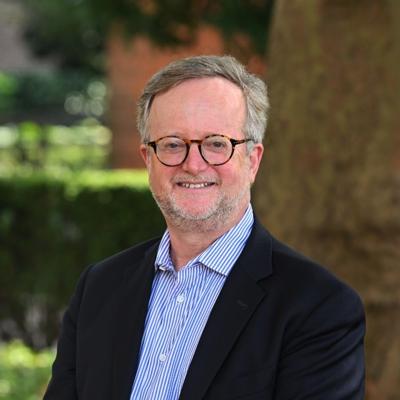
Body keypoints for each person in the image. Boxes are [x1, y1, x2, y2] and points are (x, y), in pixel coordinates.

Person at [44, 55, 365, 400]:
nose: (193, 165)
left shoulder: (320, 308)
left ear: (252, 160)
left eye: (216, 144)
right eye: (172, 144)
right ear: (148, 160)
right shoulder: (99, 289)